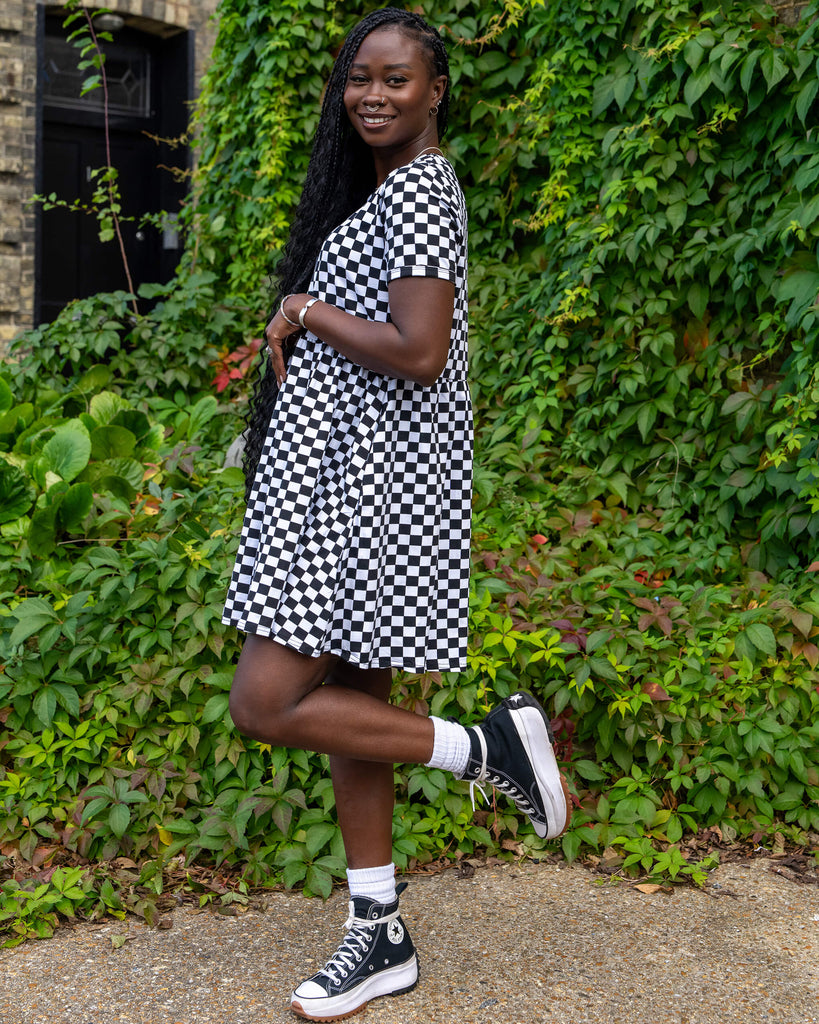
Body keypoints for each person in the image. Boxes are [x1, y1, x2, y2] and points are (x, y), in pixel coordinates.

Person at [222, 7, 570, 1020]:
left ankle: (488, 749)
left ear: (435, 91)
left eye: (396, 79)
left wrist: (304, 312)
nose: (372, 94)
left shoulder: (421, 187)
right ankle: (378, 929)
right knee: (351, 702)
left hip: (365, 489)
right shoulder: (391, 190)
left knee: (267, 698)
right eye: (357, 79)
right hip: (352, 478)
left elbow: (419, 350)